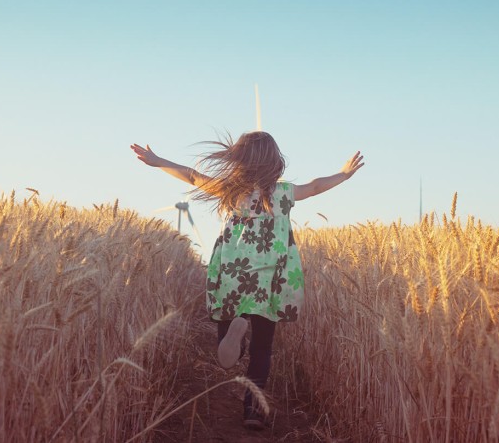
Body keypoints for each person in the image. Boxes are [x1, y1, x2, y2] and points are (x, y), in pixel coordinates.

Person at [131, 132, 364, 430]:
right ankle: (252, 410)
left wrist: (157, 161)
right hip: (270, 277)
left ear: (239, 159)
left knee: (230, 323)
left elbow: (192, 176)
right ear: (274, 161)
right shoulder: (282, 192)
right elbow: (316, 186)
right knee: (263, 347)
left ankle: (234, 339)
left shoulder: (231, 190)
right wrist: (344, 174)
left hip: (234, 271)